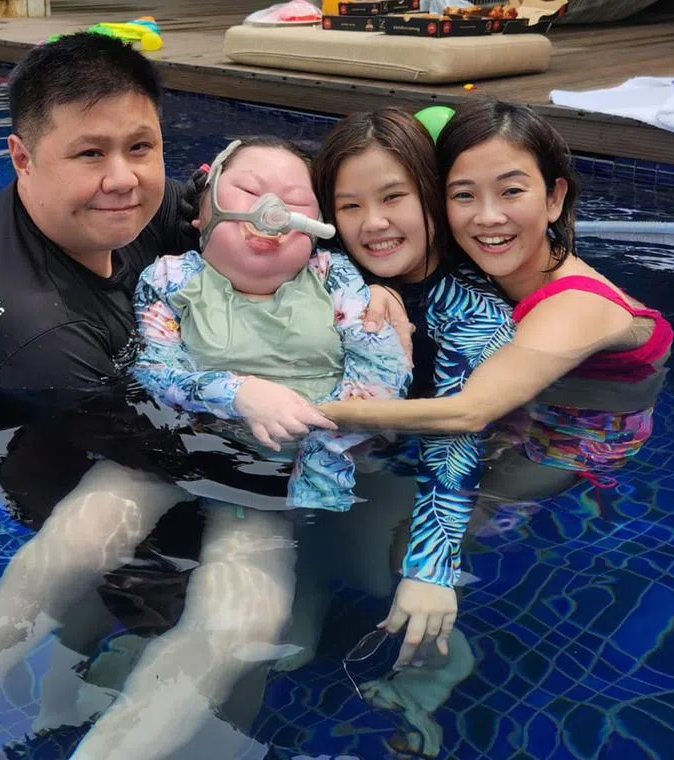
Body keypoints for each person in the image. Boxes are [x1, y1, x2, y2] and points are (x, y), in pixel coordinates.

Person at [0, 33, 412, 760]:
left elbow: (233, 208)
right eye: (90, 153)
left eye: (141, 147)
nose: (124, 180)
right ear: (22, 158)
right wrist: (325, 437)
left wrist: (375, 301)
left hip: (165, 427)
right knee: (80, 555)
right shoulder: (42, 332)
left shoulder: (163, 220)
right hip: (56, 432)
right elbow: (170, 446)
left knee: (250, 623)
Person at [314, 101, 674, 757]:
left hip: (572, 441)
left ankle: (433, 669)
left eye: (512, 191)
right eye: (464, 195)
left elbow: (466, 414)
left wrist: (311, 409)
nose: (487, 216)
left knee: (414, 550)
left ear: (555, 193)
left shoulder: (575, 304)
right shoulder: (470, 264)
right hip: (512, 403)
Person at [67, 135, 412, 760]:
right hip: (186, 453)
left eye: (294, 201)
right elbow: (156, 367)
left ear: (316, 226)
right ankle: (72, 663)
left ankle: (153, 704)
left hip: (292, 477)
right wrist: (240, 392)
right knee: (79, 548)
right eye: (250, 193)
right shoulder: (172, 279)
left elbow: (383, 374)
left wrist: (318, 427)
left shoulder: (337, 280)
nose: (269, 212)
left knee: (261, 629)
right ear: (202, 213)